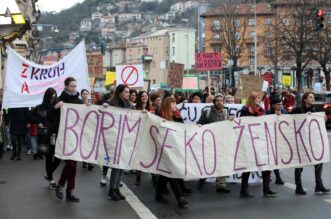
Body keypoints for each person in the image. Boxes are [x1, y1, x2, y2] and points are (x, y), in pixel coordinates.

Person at [291, 91, 330, 195]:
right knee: (300, 163)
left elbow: (320, 124)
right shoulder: (298, 109)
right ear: (305, 99)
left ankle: (319, 185)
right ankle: (298, 187)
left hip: (313, 141)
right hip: (301, 141)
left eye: (313, 97)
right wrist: (304, 116)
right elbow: (291, 120)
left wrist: (324, 119)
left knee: (318, 161)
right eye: (310, 97)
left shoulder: (316, 110)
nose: (312, 99)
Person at [239, 92, 276, 198]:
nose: (259, 100)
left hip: (260, 140)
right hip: (249, 141)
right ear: (251, 99)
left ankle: (266, 188)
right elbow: (242, 123)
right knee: (248, 166)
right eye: (257, 98)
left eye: (260, 98)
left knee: (266, 164)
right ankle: (244, 190)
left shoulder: (261, 110)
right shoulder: (245, 109)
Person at [155, 97, 189, 208]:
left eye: (175, 104)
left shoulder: (177, 116)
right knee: (171, 171)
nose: (175, 106)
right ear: (167, 105)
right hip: (164, 148)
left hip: (175, 148)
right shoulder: (159, 115)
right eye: (173, 104)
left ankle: (158, 195)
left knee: (166, 173)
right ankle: (179, 198)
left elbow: (183, 129)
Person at [54, 77, 83, 202]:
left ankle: (70, 191)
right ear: (65, 86)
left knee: (74, 165)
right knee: (70, 164)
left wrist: (88, 106)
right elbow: (50, 115)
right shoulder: (60, 100)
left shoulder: (79, 101)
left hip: (76, 136)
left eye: (75, 86)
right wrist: (56, 107)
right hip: (64, 136)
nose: (74, 88)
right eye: (71, 86)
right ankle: (60, 185)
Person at [196, 95, 233, 193]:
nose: (220, 102)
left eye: (221, 100)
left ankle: (221, 185)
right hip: (209, 142)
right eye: (218, 100)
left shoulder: (226, 112)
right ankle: (202, 179)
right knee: (208, 164)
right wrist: (199, 125)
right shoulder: (207, 112)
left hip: (221, 142)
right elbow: (200, 123)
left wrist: (230, 121)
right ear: (214, 102)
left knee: (222, 163)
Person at [104, 84, 133, 201]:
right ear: (120, 93)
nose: (128, 94)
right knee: (116, 165)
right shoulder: (112, 103)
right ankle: (112, 189)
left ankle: (116, 188)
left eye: (129, 92)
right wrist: (104, 106)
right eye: (126, 92)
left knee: (122, 164)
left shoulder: (129, 105)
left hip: (125, 138)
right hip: (115, 138)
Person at [31, 87, 61, 189]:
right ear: (47, 96)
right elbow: (31, 116)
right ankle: (51, 180)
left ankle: (49, 174)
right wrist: (38, 122)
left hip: (57, 135)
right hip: (46, 135)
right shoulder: (40, 107)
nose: (53, 99)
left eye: (55, 96)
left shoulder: (59, 106)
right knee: (48, 157)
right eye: (51, 97)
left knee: (58, 157)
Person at [265, 98, 285, 185]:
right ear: (273, 105)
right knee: (271, 158)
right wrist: (274, 116)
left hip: (279, 139)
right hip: (270, 139)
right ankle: (276, 177)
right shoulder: (268, 112)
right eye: (278, 104)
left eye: (281, 104)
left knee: (276, 159)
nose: (280, 106)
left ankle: (276, 177)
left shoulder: (284, 112)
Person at [80, 89, 94, 171]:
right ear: (81, 95)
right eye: (83, 94)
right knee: (84, 145)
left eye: (86, 94)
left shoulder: (91, 104)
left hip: (90, 127)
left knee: (89, 145)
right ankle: (85, 161)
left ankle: (89, 163)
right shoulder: (78, 103)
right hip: (81, 127)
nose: (85, 95)